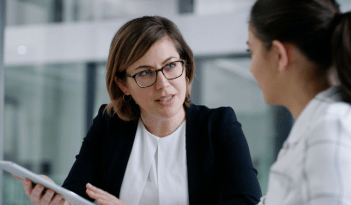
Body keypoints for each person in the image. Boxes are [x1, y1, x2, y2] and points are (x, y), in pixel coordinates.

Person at [15, 16, 262, 205]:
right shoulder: (109, 123)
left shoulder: (219, 125)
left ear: (185, 66)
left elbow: (247, 203)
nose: (163, 84)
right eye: (145, 72)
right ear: (123, 85)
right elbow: (79, 194)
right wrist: (57, 198)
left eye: (171, 65)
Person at [246, 0, 351, 204]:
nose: (251, 68)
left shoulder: (330, 131)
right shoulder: (319, 129)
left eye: (252, 52)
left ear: (279, 55)